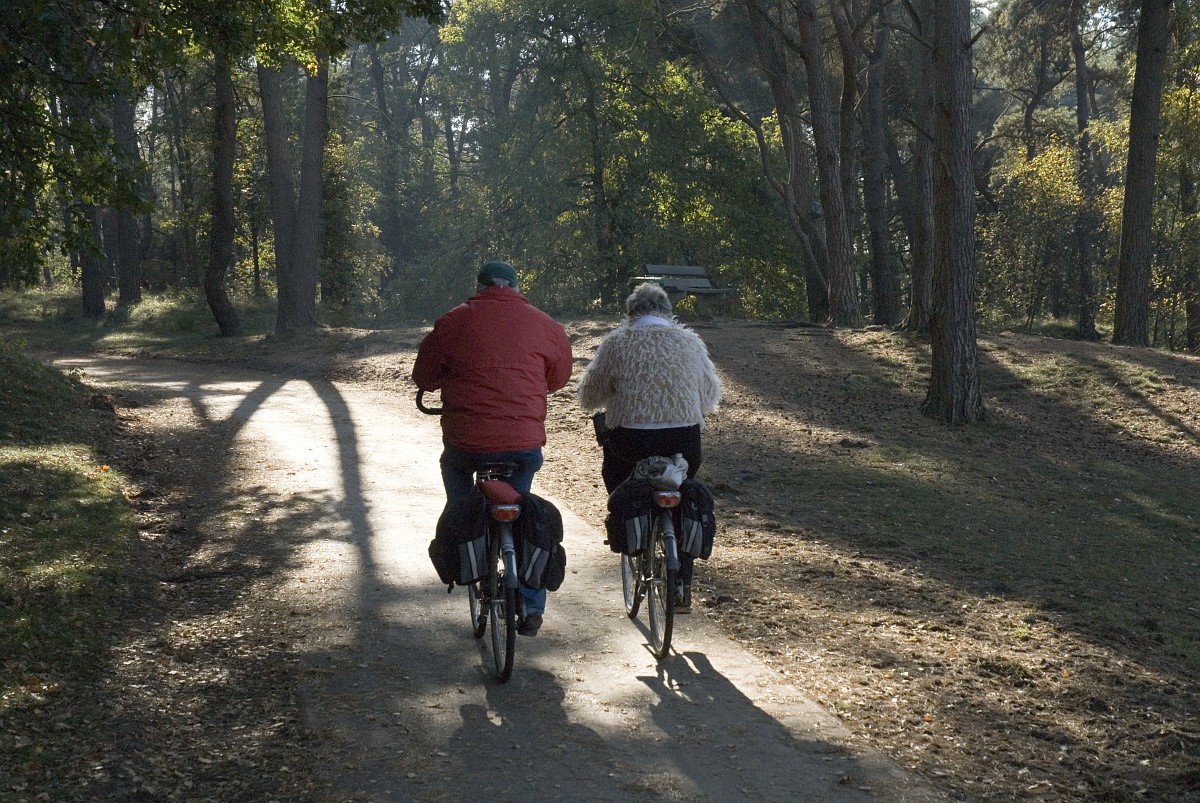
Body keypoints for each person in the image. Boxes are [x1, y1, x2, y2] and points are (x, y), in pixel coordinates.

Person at [412, 260, 573, 636]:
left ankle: (466, 544)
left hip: (466, 442)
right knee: (522, 511)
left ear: (480, 286)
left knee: (456, 480)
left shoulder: (453, 321)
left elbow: (425, 377)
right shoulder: (545, 324)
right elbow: (559, 377)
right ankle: (532, 603)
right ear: (516, 287)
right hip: (522, 443)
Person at [576, 282, 722, 612]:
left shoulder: (617, 342)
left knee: (616, 473)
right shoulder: (690, 342)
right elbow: (711, 395)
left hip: (632, 439)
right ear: (668, 312)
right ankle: (681, 583)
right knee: (683, 490)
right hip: (684, 440)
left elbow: (590, 395)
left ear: (631, 313)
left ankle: (634, 534)